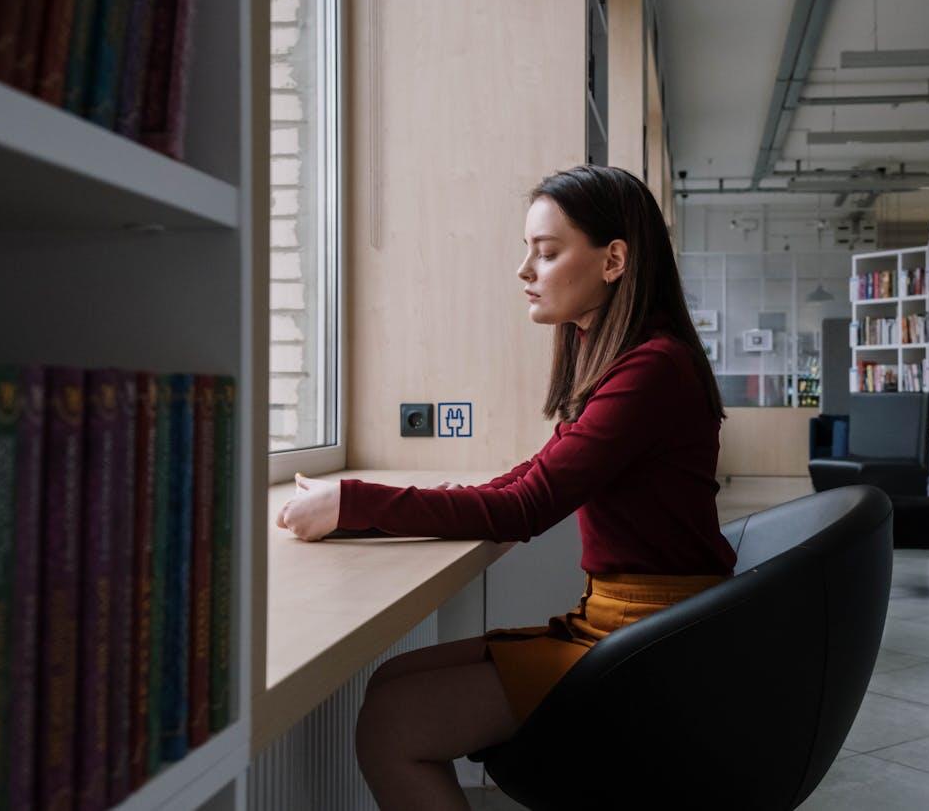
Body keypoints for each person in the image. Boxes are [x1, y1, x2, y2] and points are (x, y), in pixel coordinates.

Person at [276, 164, 736, 810]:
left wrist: (355, 502)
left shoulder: (652, 371)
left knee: (390, 724)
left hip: (649, 641)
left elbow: (523, 506)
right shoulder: (629, 362)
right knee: (391, 680)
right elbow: (526, 478)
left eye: (546, 252)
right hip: (628, 622)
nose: (525, 270)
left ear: (613, 260)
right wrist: (354, 506)